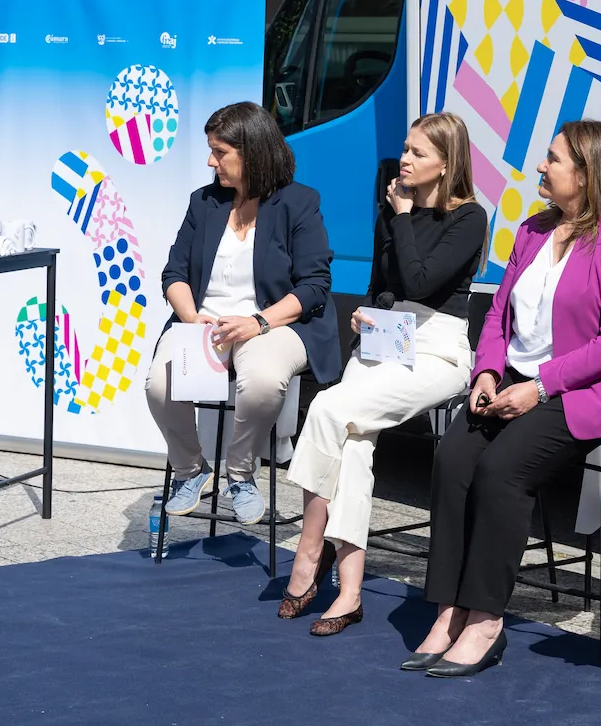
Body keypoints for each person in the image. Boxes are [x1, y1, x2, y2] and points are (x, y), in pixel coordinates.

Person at [407, 121, 601, 678]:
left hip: (587, 389)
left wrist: (540, 385)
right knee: (453, 458)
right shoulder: (534, 228)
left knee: (501, 470)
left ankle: (485, 620)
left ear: (587, 175)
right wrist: (487, 372)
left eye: (553, 159)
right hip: (515, 379)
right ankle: (448, 609)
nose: (540, 167)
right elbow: (499, 314)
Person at [282, 113, 488, 635]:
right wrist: (365, 315)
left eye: (419, 152)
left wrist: (403, 216)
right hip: (384, 339)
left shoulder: (468, 218)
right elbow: (384, 286)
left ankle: (310, 546)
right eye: (406, 147)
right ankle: (350, 592)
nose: (405, 158)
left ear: (447, 163)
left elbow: (420, 280)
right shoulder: (390, 211)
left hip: (436, 351)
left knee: (327, 407)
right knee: (352, 444)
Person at [148, 102, 341, 524]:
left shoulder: (299, 202)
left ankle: (239, 472)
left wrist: (257, 322)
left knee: (263, 383)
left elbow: (314, 286)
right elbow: (174, 273)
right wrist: (190, 317)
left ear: (251, 152)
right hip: (205, 323)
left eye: (219, 152)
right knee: (160, 386)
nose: (210, 161)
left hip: (271, 325)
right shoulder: (204, 203)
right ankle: (191, 470)